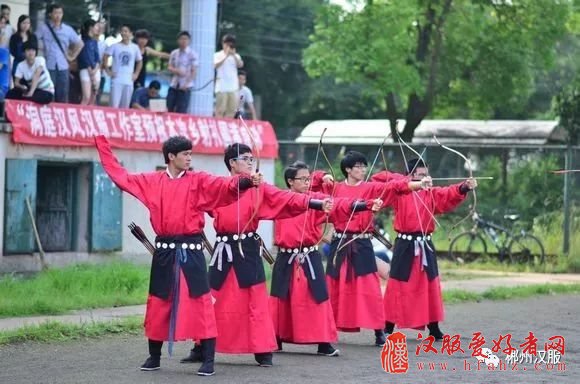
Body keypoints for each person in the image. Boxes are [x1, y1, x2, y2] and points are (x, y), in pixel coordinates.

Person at [94, 134, 261, 376]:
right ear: (171, 157)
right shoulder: (152, 181)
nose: (189, 158)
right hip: (164, 252)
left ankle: (208, 359)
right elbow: (121, 176)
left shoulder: (199, 180)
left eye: (190, 153)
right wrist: (103, 146)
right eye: (185, 154)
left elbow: (223, 186)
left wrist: (246, 182)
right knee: (159, 303)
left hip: (191, 251)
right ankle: (154, 356)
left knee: (201, 304)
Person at [180, 143, 331, 367]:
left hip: (247, 248)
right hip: (223, 248)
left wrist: (316, 203)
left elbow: (287, 198)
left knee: (255, 301)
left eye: (253, 159)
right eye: (246, 159)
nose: (251, 162)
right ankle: (202, 346)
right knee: (211, 299)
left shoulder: (259, 188)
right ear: (232, 162)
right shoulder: (219, 186)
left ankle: (262, 350)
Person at [310, 151, 431, 347]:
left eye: (363, 166)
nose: (362, 170)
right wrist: (322, 175)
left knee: (370, 288)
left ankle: (379, 332)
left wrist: (419, 184)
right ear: (347, 169)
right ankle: (327, 330)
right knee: (333, 286)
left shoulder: (371, 188)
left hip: (362, 242)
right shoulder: (335, 188)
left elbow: (394, 186)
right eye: (357, 166)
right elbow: (310, 186)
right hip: (340, 243)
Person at [270, 161, 384, 357]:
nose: (307, 183)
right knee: (282, 299)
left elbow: (340, 203)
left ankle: (323, 343)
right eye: (302, 179)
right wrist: (319, 176)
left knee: (317, 299)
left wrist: (365, 204)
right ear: (290, 181)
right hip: (285, 257)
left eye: (308, 179)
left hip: (308, 256)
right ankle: (276, 338)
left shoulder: (317, 199)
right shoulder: (279, 198)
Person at [372, 158, 477, 340]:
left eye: (426, 175)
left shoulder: (431, 193)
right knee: (397, 286)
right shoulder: (400, 190)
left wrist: (464, 187)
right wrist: (408, 182)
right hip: (405, 245)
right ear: (410, 175)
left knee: (430, 286)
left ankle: (434, 328)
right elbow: (378, 177)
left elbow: (448, 194)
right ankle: (388, 328)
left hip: (425, 244)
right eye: (420, 175)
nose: (424, 178)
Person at [36, 3, 84, 103]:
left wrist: (72, 56)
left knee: (62, 94)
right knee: (49, 93)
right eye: (56, 13)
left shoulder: (67, 29)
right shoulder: (44, 28)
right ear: (50, 14)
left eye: (60, 13)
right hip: (49, 65)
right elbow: (34, 40)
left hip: (63, 66)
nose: (58, 15)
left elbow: (80, 43)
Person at [103, 24, 142, 109]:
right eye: (122, 31)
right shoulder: (115, 46)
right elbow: (105, 56)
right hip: (117, 80)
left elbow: (139, 61)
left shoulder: (134, 47)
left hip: (129, 80)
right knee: (114, 105)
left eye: (126, 31)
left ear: (130, 33)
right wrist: (108, 71)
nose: (123, 33)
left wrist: (136, 74)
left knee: (125, 107)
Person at [167, 31, 197, 114]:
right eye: (181, 39)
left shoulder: (192, 54)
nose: (183, 41)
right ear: (178, 40)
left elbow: (194, 71)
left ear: (189, 41)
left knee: (181, 110)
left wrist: (186, 84)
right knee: (169, 108)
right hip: (174, 84)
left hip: (185, 87)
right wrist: (176, 71)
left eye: (186, 39)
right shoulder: (174, 53)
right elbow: (169, 66)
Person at [214, 34, 243, 118]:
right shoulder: (217, 55)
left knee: (231, 111)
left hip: (233, 87)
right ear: (223, 44)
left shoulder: (236, 56)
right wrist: (226, 55)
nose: (229, 46)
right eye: (227, 44)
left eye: (231, 44)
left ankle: (226, 128)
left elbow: (240, 65)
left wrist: (233, 55)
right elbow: (215, 65)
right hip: (221, 87)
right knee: (220, 110)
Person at [78, 19, 100, 105]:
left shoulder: (94, 42)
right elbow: (85, 58)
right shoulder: (83, 41)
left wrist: (96, 69)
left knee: (93, 97)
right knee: (86, 97)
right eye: (96, 26)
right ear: (91, 28)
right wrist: (91, 72)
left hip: (95, 70)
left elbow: (97, 58)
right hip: (85, 70)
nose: (97, 28)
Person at [9, 15, 37, 81]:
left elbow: (36, 50)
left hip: (30, 64)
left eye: (28, 23)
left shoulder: (33, 37)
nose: (26, 25)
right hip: (18, 64)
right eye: (24, 23)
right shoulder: (14, 37)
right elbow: (12, 51)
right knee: (18, 85)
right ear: (19, 24)